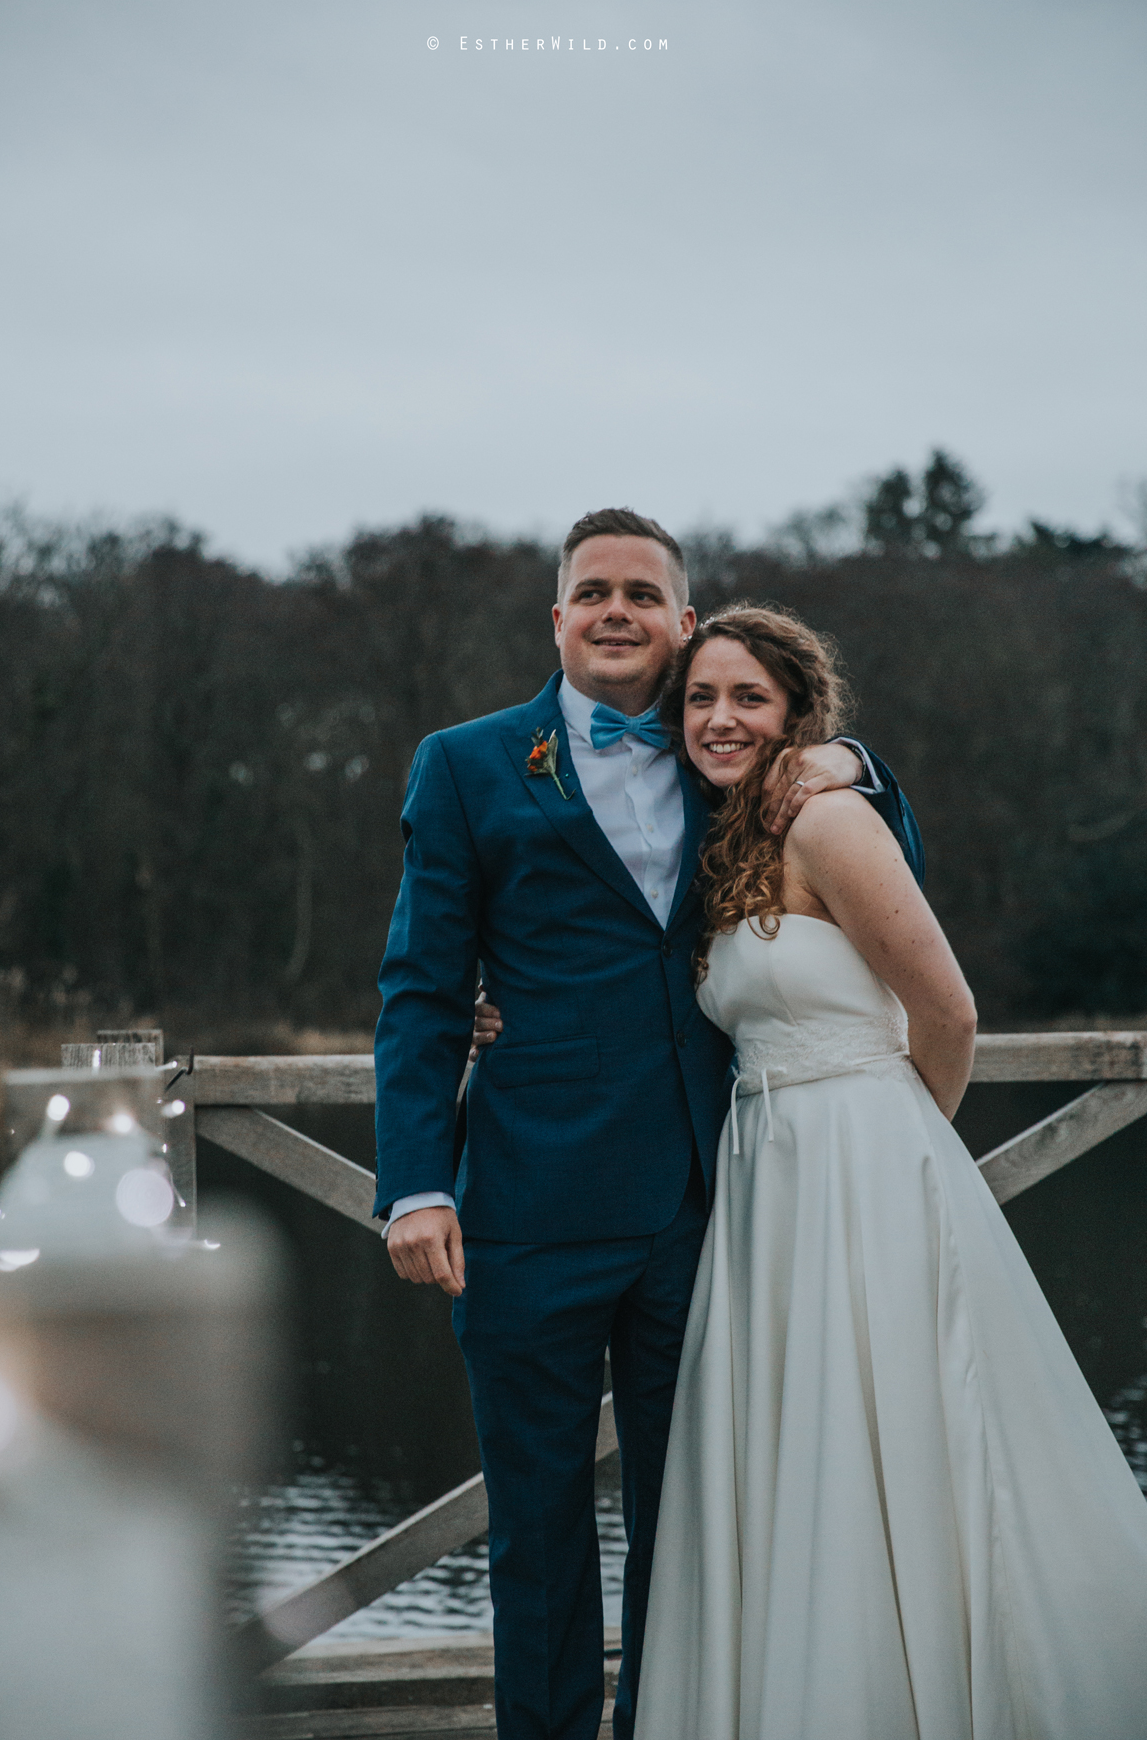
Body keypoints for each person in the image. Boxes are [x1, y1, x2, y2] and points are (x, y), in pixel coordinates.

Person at [372, 509, 922, 1740]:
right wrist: (415, 1183)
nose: (615, 610)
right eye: (591, 592)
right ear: (556, 619)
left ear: (682, 622)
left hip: (705, 1205)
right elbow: (418, 986)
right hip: (522, 1208)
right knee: (540, 1529)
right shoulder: (464, 764)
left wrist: (856, 767)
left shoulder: (723, 745)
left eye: (641, 593)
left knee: (703, 1525)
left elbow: (896, 867)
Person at [633, 604, 1147, 1740]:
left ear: (797, 717)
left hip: (868, 1160)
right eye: (702, 699)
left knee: (909, 1429)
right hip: (765, 1183)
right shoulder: (720, 845)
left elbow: (947, 1010)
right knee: (800, 1447)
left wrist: (904, 1147)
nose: (720, 718)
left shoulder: (827, 817)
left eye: (748, 698)